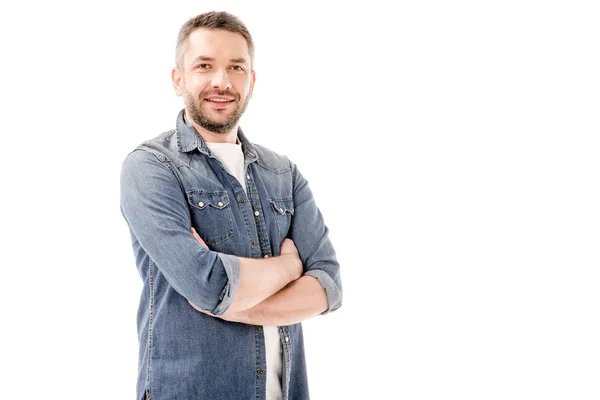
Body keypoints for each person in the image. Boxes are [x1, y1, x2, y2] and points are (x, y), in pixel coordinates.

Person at [119, 11, 342, 400]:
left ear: (251, 81)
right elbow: (208, 286)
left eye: (236, 67)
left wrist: (235, 304)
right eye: (204, 65)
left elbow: (328, 286)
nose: (221, 81)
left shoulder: (283, 173)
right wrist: (290, 267)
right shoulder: (150, 167)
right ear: (178, 79)